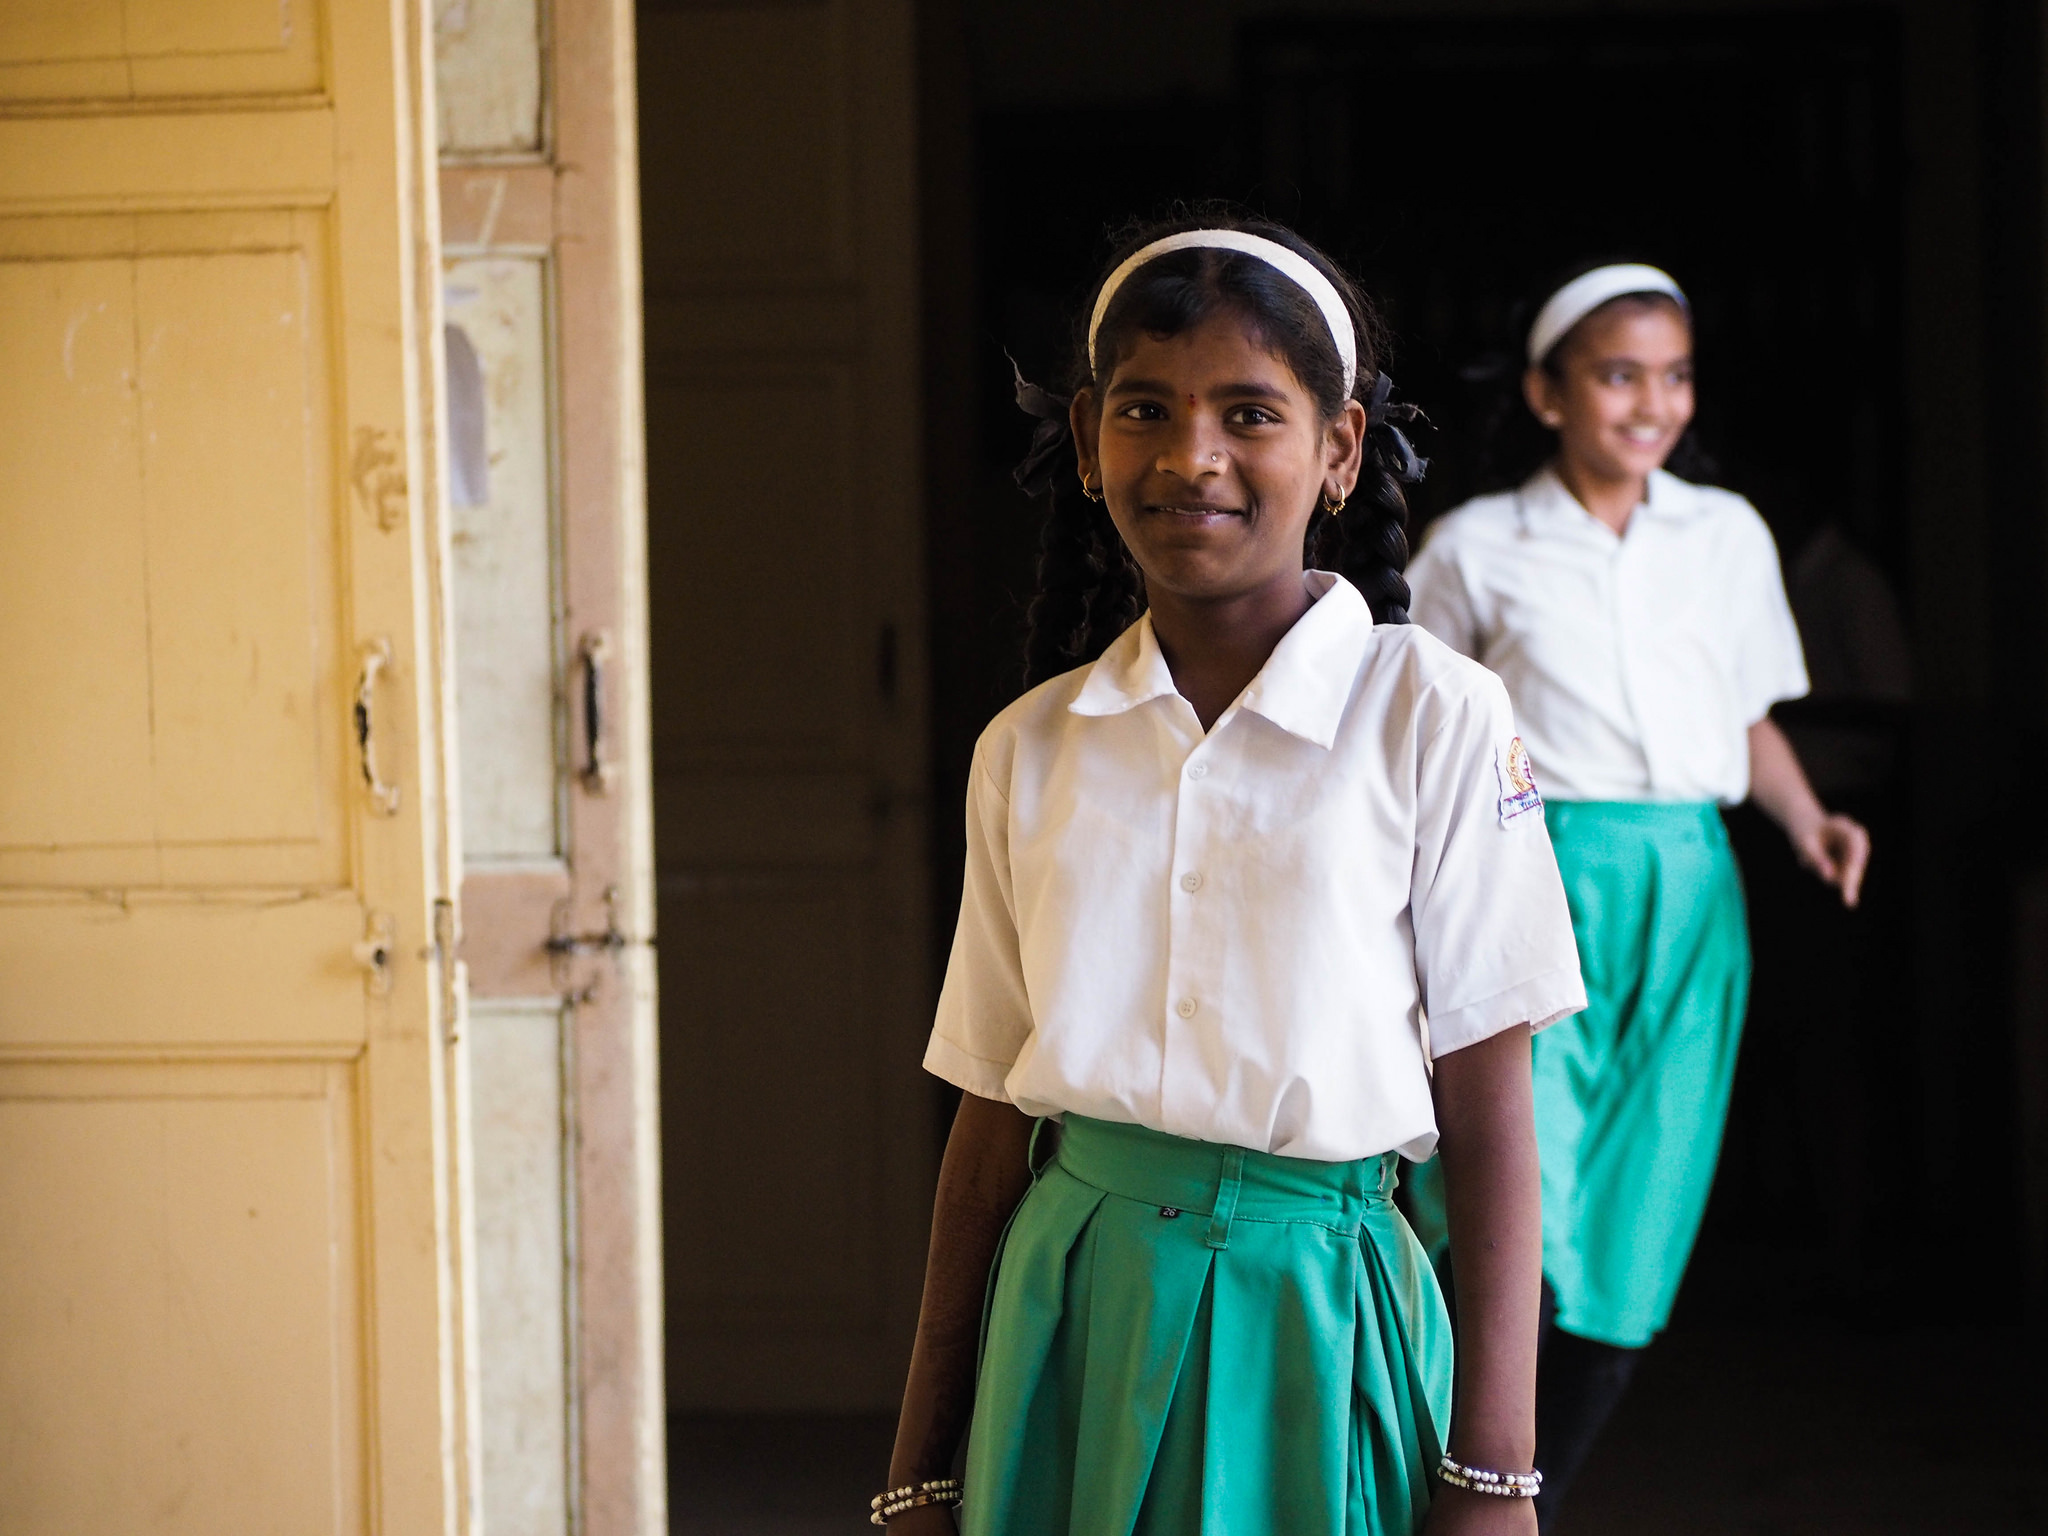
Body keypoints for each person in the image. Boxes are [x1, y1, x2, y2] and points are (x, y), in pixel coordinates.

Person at [875, 213, 1588, 1536]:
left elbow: (1491, 1118)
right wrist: (920, 1469)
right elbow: (985, 1127)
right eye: (1146, 409)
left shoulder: (1431, 714)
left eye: (1250, 412)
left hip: (1315, 1319)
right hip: (1071, 1314)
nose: (1192, 455)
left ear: (1339, 451)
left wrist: (1494, 1476)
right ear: (1088, 443)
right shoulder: (1029, 751)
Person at [1404, 263, 1873, 1529]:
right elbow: (1421, 739)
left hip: (1688, 897)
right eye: (1619, 375)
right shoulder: (1475, 546)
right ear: (1549, 393)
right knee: (1510, 1205)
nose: (1650, 403)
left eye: (1671, 376)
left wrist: (1805, 818)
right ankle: (1446, 1482)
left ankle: (1514, 1503)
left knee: (1633, 1229)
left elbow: (1746, 717)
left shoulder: (1724, 536)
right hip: (1530, 881)